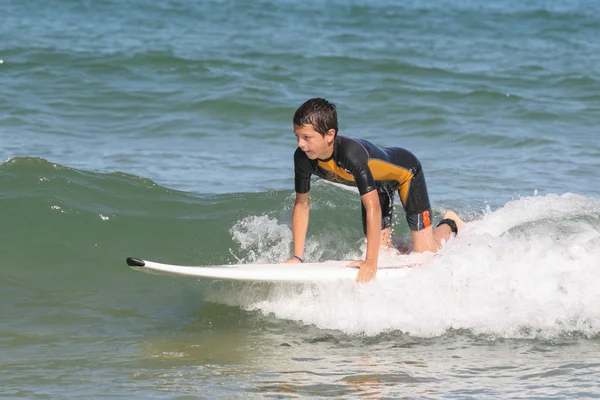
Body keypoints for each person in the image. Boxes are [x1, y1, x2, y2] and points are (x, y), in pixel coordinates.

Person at [284, 98, 464, 282]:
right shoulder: (303, 158)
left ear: (329, 135)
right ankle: (402, 248)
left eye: (307, 137)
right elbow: (302, 205)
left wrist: (370, 261)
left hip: (407, 174)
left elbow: (373, 208)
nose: (301, 144)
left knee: (426, 253)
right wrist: (298, 258)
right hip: (377, 186)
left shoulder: (350, 155)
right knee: (385, 254)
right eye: (297, 136)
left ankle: (450, 223)